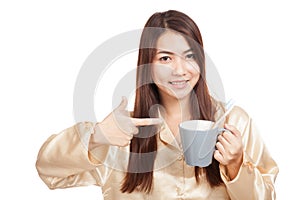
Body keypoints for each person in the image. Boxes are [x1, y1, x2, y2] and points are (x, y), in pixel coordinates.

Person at [36, 10, 279, 199]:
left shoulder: (233, 122)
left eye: (190, 56)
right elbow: (48, 170)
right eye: (165, 58)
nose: (180, 70)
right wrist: (96, 135)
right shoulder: (121, 132)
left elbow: (267, 197)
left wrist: (236, 166)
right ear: (147, 65)